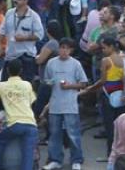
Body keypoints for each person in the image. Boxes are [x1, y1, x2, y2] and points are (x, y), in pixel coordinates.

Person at [41, 38, 88, 170]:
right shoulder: (51, 63)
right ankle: (55, 159)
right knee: (54, 134)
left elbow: (83, 83)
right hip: (55, 104)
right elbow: (47, 80)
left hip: (70, 105)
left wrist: (70, 86)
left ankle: (76, 159)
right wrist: (50, 82)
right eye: (62, 47)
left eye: (67, 48)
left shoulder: (76, 64)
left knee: (73, 133)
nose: (64, 50)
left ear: (71, 50)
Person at [0, 59, 39, 170]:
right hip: (31, 124)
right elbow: (31, 101)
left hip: (14, 124)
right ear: (21, 71)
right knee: (28, 155)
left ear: (7, 70)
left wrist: (0, 103)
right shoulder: (27, 84)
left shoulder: (1, 85)